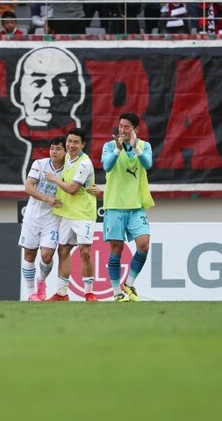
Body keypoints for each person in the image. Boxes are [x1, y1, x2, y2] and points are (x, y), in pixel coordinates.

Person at [102, 113, 154, 302]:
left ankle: (129, 283)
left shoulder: (144, 146)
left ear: (136, 129)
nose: (122, 130)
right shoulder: (109, 146)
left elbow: (148, 164)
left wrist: (135, 147)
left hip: (136, 205)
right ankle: (117, 292)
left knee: (144, 245)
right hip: (114, 205)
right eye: (120, 126)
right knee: (116, 249)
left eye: (126, 127)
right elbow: (107, 167)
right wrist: (117, 150)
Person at [45, 128, 98, 301]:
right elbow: (53, 157)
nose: (71, 145)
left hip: (83, 214)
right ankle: (62, 293)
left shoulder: (84, 163)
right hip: (66, 213)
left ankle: (89, 292)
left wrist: (54, 179)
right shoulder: (66, 156)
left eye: (76, 142)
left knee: (85, 252)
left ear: (83, 144)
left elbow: (73, 189)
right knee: (63, 250)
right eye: (69, 141)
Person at [20, 136, 66, 300]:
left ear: (65, 151)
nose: (54, 152)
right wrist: (47, 199)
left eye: (58, 149)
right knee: (29, 254)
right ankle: (31, 293)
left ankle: (41, 281)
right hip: (32, 217)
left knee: (47, 256)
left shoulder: (69, 169)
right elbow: (28, 186)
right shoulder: (40, 164)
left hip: (53, 219)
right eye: (52, 148)